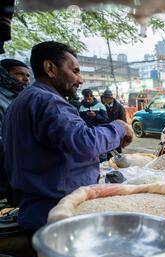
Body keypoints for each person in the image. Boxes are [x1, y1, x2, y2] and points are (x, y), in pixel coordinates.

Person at [2, 41, 133, 232]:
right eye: (75, 71)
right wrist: (119, 127)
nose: (80, 80)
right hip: (56, 212)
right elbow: (85, 142)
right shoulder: (48, 101)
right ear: (50, 69)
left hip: (34, 207)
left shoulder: (21, 100)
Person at [0, 59, 30, 205]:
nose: (25, 79)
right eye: (19, 74)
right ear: (4, 75)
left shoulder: (23, 97)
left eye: (27, 75)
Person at [101, 88, 126, 157]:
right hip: (107, 132)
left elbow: (123, 121)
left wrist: (121, 133)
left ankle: (119, 165)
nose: (103, 100)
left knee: (117, 152)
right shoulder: (103, 107)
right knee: (109, 151)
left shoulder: (119, 107)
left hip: (117, 132)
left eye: (105, 98)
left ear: (110, 98)